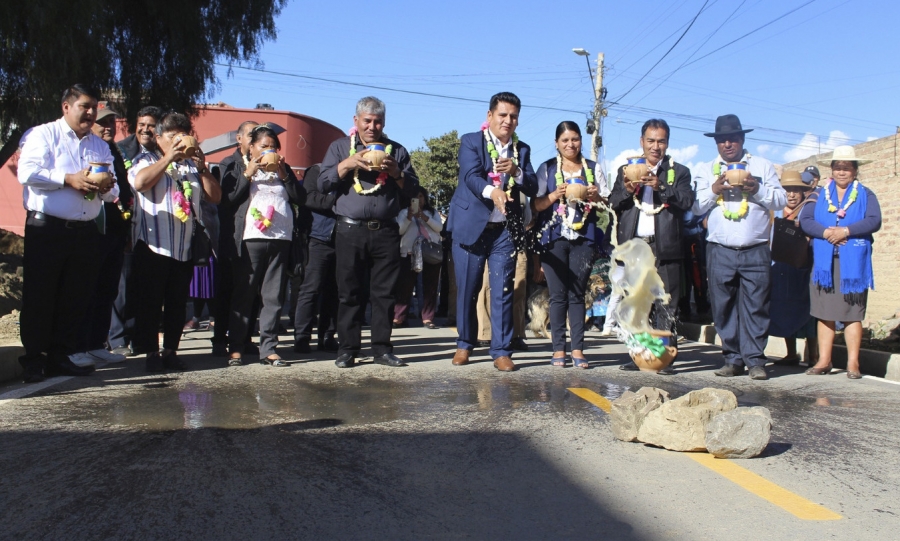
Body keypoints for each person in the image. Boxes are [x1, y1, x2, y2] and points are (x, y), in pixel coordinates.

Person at [15, 84, 119, 382]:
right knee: (41, 296)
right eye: (84, 106)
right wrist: (68, 179)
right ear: (66, 107)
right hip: (47, 229)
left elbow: (113, 193)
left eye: (94, 108)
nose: (90, 113)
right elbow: (27, 173)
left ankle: (61, 356)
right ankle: (34, 360)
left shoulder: (99, 146)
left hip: (85, 231)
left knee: (75, 297)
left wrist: (106, 186)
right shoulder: (43, 135)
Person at [318, 96, 419, 368]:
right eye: (367, 121)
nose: (372, 127)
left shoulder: (396, 151)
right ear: (356, 121)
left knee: (384, 294)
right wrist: (348, 164)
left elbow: (413, 190)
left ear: (384, 123)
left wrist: (397, 173)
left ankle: (382, 349)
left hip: (386, 231)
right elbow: (322, 183)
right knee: (349, 292)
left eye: (378, 122)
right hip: (349, 229)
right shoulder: (340, 147)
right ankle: (347, 349)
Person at [446, 92, 539, 371]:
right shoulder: (471, 141)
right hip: (471, 227)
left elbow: (532, 186)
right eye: (502, 115)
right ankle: (465, 344)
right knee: (468, 289)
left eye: (513, 116)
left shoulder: (522, 150)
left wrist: (517, 172)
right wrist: (493, 191)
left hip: (504, 231)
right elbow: (470, 176)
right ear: (490, 116)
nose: (508, 121)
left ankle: (501, 351)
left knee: (502, 291)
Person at [693, 114, 786, 381]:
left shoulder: (762, 166)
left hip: (755, 248)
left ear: (742, 139)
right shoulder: (707, 169)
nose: (727, 144)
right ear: (716, 143)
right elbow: (695, 207)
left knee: (757, 305)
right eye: (722, 140)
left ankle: (755, 360)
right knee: (723, 306)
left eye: (732, 138)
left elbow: (780, 201)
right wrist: (714, 190)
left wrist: (757, 189)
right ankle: (732, 359)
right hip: (719, 249)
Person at [130, 112, 222, 372]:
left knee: (177, 303)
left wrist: (202, 167)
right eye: (172, 137)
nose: (178, 142)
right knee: (150, 302)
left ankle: (171, 350)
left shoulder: (191, 165)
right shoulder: (145, 160)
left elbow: (215, 197)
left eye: (183, 136)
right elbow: (140, 183)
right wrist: (168, 158)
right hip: (153, 244)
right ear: (159, 138)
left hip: (184, 247)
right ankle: (150, 352)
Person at [610, 119, 694, 374]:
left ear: (667, 143)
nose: (656, 146)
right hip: (636, 249)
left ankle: (662, 357)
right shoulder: (626, 170)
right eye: (651, 141)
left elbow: (686, 201)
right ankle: (640, 355)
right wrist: (627, 190)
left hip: (666, 248)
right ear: (642, 142)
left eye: (661, 141)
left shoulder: (679, 172)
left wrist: (662, 187)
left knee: (666, 305)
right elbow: (613, 202)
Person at [223, 125, 305, 366]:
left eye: (273, 147)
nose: (269, 150)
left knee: (273, 296)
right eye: (264, 146)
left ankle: (268, 347)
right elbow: (228, 199)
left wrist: (285, 175)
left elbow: (300, 198)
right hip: (250, 239)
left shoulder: (282, 171)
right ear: (251, 147)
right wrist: (248, 173)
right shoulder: (239, 167)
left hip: (280, 239)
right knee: (244, 294)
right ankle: (236, 346)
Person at [531, 121, 609, 368]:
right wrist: (554, 195)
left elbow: (606, 204)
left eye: (575, 139)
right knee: (557, 296)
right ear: (556, 143)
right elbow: (536, 205)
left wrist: (596, 197)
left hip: (584, 239)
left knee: (577, 294)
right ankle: (558, 350)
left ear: (581, 141)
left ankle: (577, 349)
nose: (570, 144)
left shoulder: (593, 168)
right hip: (554, 238)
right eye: (565, 140)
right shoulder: (547, 168)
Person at [799, 146, 881, 379]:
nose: (842, 172)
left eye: (847, 167)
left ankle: (853, 363)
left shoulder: (866, 194)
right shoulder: (819, 194)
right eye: (838, 167)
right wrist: (827, 233)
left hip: (852, 264)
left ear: (855, 170)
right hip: (824, 264)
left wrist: (846, 231)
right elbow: (806, 220)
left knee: (851, 312)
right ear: (832, 170)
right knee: (824, 311)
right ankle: (824, 360)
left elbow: (874, 220)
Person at [73, 106, 132, 366]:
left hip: (115, 230)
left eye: (112, 122)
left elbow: (122, 191)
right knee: (87, 288)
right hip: (92, 228)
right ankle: (79, 345)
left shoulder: (114, 152)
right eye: (103, 122)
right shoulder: (86, 150)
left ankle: (97, 343)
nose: (108, 127)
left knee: (107, 289)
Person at [109, 106, 163, 357]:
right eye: (141, 124)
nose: (145, 129)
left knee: (145, 286)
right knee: (124, 284)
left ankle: (140, 338)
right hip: (129, 222)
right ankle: (117, 338)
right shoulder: (122, 150)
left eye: (150, 125)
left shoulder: (164, 152)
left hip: (157, 229)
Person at [212, 120, 259, 357]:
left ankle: (245, 337)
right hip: (234, 237)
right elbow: (227, 199)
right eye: (251, 135)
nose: (254, 139)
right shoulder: (228, 164)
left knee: (251, 292)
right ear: (239, 138)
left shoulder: (266, 163)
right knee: (227, 291)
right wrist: (247, 174)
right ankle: (220, 338)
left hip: (257, 236)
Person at [769, 170, 819, 367]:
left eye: (795, 191)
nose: (791, 195)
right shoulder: (774, 212)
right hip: (780, 267)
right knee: (783, 308)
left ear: (802, 192)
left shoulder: (809, 211)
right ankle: (791, 353)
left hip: (803, 267)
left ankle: (813, 355)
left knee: (808, 310)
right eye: (787, 191)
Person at [293, 164, 339, 353]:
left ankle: (327, 336)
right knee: (311, 288)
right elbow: (308, 198)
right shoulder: (317, 170)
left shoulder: (353, 175)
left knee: (334, 291)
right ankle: (302, 337)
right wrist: (338, 201)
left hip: (342, 238)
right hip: (317, 237)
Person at [394, 186, 443, 329]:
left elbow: (439, 228)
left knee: (430, 287)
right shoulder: (403, 212)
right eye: (415, 197)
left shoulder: (432, 212)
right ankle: (399, 317)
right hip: (409, 253)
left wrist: (425, 217)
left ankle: (428, 318)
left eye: (421, 196)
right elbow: (399, 230)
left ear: (425, 198)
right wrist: (409, 217)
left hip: (430, 253)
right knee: (405, 286)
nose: (418, 200)